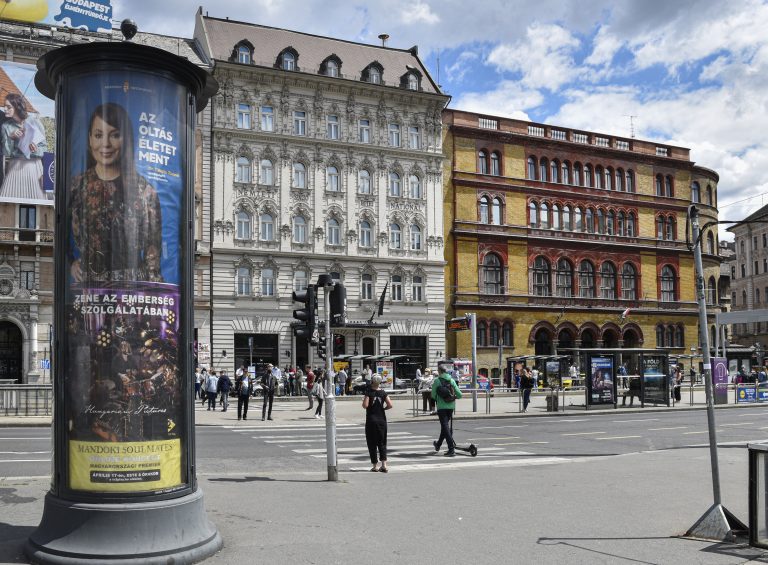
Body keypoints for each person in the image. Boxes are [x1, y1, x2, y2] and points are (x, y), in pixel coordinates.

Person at [70, 102, 162, 283]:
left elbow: (154, 247)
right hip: (91, 288)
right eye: (98, 135)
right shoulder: (77, 186)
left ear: (126, 139)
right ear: (90, 139)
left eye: (115, 135)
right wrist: (70, 262)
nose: (106, 144)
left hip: (132, 288)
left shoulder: (146, 191)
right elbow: (62, 231)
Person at [0, 92, 46, 200]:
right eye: (4, 106)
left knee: (36, 202)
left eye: (8, 107)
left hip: (34, 167)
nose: (5, 109)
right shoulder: (5, 126)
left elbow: (44, 149)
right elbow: (7, 153)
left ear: (17, 107)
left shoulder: (34, 122)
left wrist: (35, 150)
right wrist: (11, 138)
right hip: (15, 167)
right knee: (8, 202)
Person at [431, 363, 462, 457]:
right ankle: (438, 444)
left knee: (445, 427)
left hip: (441, 407)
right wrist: (453, 397)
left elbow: (432, 395)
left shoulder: (437, 381)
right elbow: (460, 395)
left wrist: (437, 398)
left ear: (439, 371)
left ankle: (451, 449)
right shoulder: (452, 380)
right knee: (445, 427)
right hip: (451, 407)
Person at [363, 374, 393, 472]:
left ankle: (375, 466)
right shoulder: (383, 392)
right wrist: (383, 408)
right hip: (381, 420)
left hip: (371, 421)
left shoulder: (369, 392)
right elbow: (390, 405)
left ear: (372, 381)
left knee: (372, 443)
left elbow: (365, 405)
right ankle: (384, 465)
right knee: (382, 442)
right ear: (380, 382)